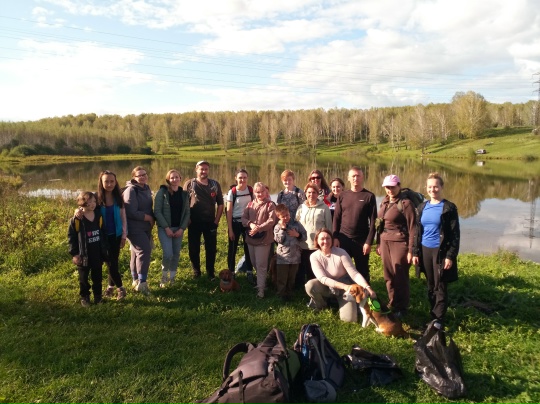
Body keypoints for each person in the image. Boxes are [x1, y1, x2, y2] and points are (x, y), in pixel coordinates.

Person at [412, 172, 460, 328]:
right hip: (425, 250)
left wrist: (450, 256)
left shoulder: (449, 208)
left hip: (441, 251)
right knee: (431, 284)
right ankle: (432, 314)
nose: (433, 190)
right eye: (430, 187)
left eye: (436, 187)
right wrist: (415, 252)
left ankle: (438, 320)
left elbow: (455, 234)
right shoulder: (422, 207)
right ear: (426, 188)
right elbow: (417, 232)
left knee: (440, 285)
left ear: (441, 187)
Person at [306, 228, 376, 323]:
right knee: (310, 285)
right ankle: (322, 305)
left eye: (328, 238)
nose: (325, 241)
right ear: (317, 241)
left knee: (349, 319)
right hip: (327, 286)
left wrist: (367, 287)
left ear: (332, 239)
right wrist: (344, 286)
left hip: (345, 289)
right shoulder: (314, 256)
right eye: (322, 239)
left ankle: (343, 303)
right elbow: (322, 278)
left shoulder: (341, 252)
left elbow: (354, 274)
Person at [375, 175, 416, 318]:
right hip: (384, 241)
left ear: (399, 186)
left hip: (399, 243)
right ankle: (392, 302)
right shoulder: (385, 201)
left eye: (392, 187)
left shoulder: (406, 204)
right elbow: (380, 224)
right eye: (387, 187)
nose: (390, 190)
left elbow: (413, 228)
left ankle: (401, 307)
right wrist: (378, 243)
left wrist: (411, 250)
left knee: (400, 276)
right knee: (388, 275)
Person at [333, 167, 377, 283]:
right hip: (344, 239)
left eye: (358, 176)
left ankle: (365, 292)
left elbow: (373, 221)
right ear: (348, 178)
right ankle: (343, 291)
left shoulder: (369, 196)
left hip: (361, 240)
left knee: (362, 270)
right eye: (353, 176)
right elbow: (336, 218)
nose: (355, 178)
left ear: (362, 178)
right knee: (342, 269)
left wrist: (368, 242)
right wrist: (335, 237)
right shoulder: (343, 195)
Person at [184, 161, 224, 280]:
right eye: (201, 169)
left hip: (210, 222)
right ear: (196, 169)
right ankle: (196, 272)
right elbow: (184, 204)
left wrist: (216, 221)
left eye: (206, 169)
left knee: (211, 249)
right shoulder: (189, 184)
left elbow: (221, 204)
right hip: (193, 222)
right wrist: (187, 219)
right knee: (193, 248)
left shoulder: (214, 184)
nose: (204, 171)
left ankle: (210, 273)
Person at [68, 191, 108, 307]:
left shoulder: (98, 216)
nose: (93, 204)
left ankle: (98, 296)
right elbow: (71, 237)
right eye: (89, 202)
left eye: (94, 201)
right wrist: (75, 254)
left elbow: (103, 233)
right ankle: (85, 297)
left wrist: (105, 250)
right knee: (83, 278)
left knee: (97, 277)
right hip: (83, 254)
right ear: (82, 203)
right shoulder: (77, 220)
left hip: (97, 253)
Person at [154, 169, 190, 288]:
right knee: (168, 254)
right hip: (165, 229)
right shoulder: (162, 193)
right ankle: (164, 277)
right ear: (168, 180)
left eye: (176, 177)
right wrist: (166, 228)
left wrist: (182, 229)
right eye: (172, 178)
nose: (174, 179)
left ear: (180, 178)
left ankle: (172, 278)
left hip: (178, 229)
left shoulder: (184, 194)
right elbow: (157, 211)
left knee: (176, 254)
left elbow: (187, 213)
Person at [242, 182, 276, 298]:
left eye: (262, 192)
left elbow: (271, 221)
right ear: (254, 193)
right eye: (257, 192)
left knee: (261, 265)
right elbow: (243, 218)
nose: (260, 194)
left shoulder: (270, 205)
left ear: (266, 192)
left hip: (264, 240)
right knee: (254, 263)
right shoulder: (250, 204)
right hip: (251, 239)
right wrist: (250, 224)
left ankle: (260, 290)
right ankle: (263, 282)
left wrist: (259, 228)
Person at [97, 170, 128, 300]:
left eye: (112, 181)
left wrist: (124, 235)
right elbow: (84, 207)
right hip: (101, 237)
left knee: (113, 263)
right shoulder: (96, 198)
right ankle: (121, 288)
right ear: (101, 182)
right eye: (106, 181)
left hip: (116, 235)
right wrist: (78, 210)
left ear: (115, 182)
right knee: (110, 263)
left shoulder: (118, 198)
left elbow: (123, 218)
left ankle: (110, 287)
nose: (109, 184)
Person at [124, 166, 154, 295]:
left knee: (135, 253)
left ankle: (135, 280)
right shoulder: (131, 190)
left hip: (145, 227)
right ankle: (142, 283)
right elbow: (131, 212)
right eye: (139, 175)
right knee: (144, 251)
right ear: (134, 177)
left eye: (144, 174)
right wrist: (148, 217)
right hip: (134, 227)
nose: (142, 177)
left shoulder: (146, 188)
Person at [296, 183, 332, 285]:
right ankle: (300, 289)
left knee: (314, 270)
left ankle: (315, 289)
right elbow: (296, 224)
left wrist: (329, 244)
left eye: (314, 192)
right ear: (305, 193)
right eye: (309, 192)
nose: (311, 195)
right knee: (301, 269)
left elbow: (329, 227)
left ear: (317, 194)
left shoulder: (324, 208)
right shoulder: (301, 207)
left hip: (317, 245)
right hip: (302, 244)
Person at [273, 203, 307, 302]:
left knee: (292, 277)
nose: (286, 218)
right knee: (282, 278)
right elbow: (278, 240)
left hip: (295, 256)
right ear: (278, 216)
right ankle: (281, 295)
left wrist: (297, 234)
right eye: (283, 216)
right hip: (283, 257)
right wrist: (283, 229)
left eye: (287, 215)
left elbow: (305, 236)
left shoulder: (296, 224)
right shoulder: (277, 227)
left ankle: (289, 294)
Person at [225, 169, 254, 281]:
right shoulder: (232, 192)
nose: (242, 180)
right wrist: (230, 229)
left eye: (244, 177)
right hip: (235, 223)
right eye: (240, 177)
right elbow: (229, 211)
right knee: (232, 249)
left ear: (247, 178)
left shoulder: (250, 190)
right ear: (236, 178)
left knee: (248, 248)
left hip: (247, 223)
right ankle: (231, 272)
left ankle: (249, 271)